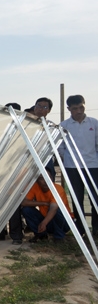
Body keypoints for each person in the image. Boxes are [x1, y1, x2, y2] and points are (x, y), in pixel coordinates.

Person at [60, 95, 98, 236]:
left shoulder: (94, 123)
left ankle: (96, 229)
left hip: (92, 166)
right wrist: (69, 160)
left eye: (81, 107)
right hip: (72, 167)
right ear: (69, 109)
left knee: (95, 198)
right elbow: (60, 147)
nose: (79, 111)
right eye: (75, 108)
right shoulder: (64, 125)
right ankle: (81, 230)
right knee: (77, 198)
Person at [21, 169, 72, 244]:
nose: (45, 181)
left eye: (48, 177)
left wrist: (44, 223)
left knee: (57, 210)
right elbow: (24, 203)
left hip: (64, 223)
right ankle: (41, 235)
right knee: (26, 210)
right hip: (47, 221)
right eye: (41, 178)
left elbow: (53, 208)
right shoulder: (35, 187)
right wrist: (44, 203)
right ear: (37, 180)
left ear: (52, 178)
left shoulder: (58, 189)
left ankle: (59, 237)